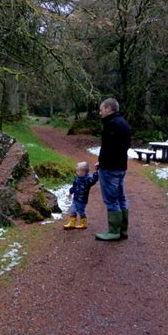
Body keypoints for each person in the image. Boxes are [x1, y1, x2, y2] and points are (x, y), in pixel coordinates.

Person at [95, 98, 132, 241]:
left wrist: (103, 162)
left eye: (101, 109)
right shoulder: (124, 123)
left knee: (111, 199)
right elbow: (121, 148)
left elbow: (109, 149)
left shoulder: (112, 124)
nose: (100, 112)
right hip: (121, 166)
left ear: (108, 109)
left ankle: (113, 231)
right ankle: (123, 230)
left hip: (110, 168)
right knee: (120, 198)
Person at [64, 162, 98, 230]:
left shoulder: (88, 179)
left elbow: (94, 180)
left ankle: (83, 223)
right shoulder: (78, 178)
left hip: (82, 200)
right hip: (75, 198)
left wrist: (96, 172)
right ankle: (72, 223)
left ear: (83, 172)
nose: (76, 172)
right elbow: (74, 186)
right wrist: (70, 192)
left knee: (81, 211)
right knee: (73, 210)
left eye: (78, 171)